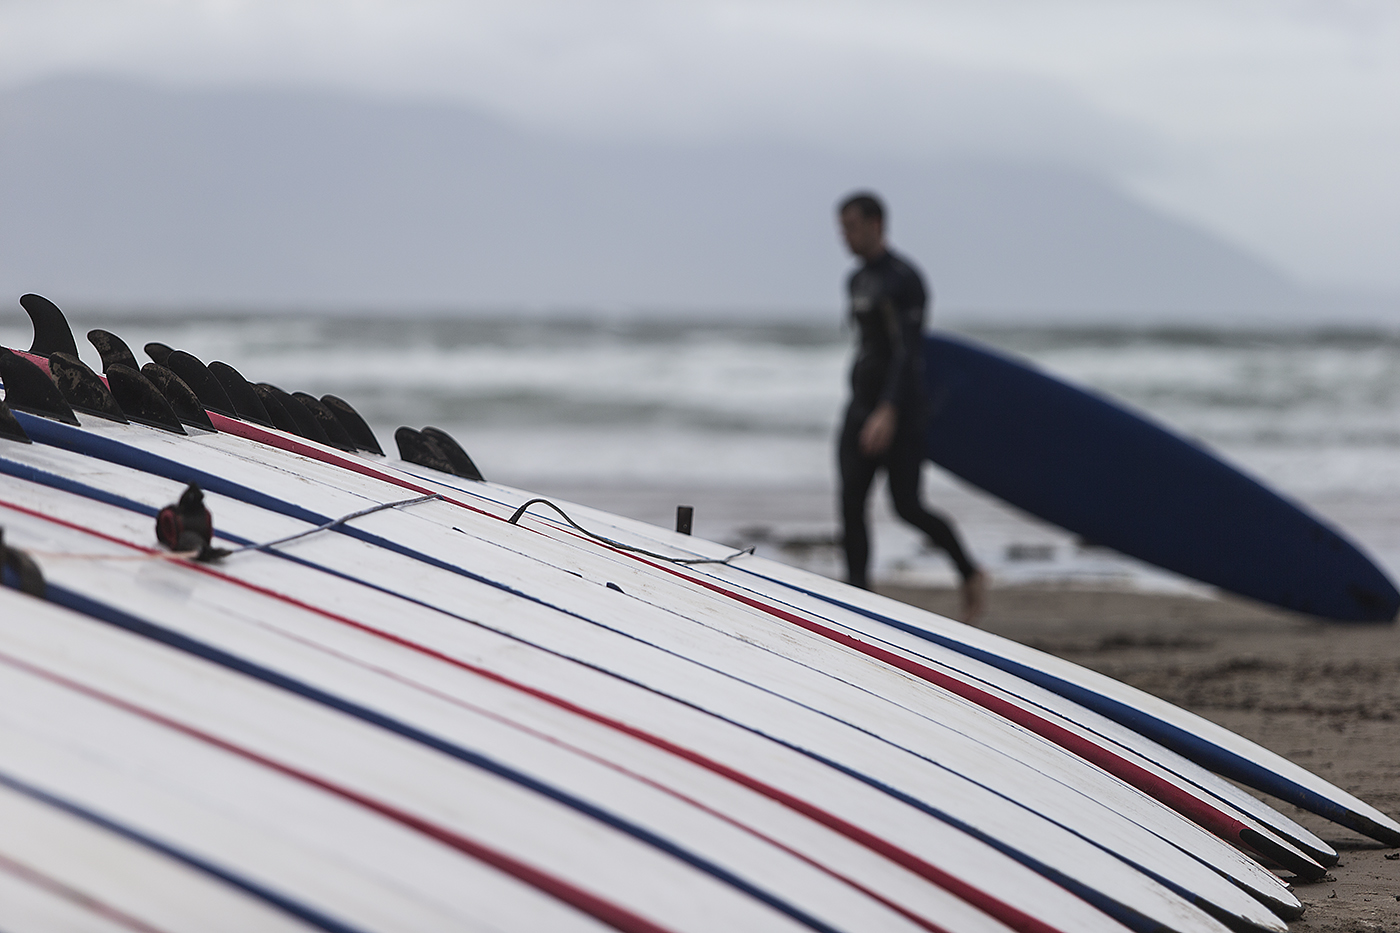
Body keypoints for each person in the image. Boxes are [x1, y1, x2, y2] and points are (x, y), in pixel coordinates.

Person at [835, 191, 986, 623]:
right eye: (841, 227)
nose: (845, 236)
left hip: (899, 412)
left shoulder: (905, 280)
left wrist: (888, 410)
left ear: (877, 224)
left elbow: (907, 352)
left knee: (907, 506)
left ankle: (970, 571)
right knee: (850, 504)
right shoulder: (855, 280)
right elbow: (869, 348)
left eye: (852, 226)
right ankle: (856, 603)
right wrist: (865, 404)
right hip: (860, 408)